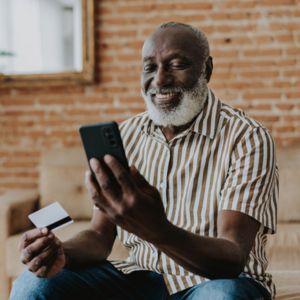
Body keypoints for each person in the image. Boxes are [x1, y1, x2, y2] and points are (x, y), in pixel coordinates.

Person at [10, 22, 278, 300]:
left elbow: (231, 259)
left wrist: (157, 228)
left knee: (225, 297)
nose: (160, 80)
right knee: (33, 285)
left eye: (176, 64)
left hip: (216, 283)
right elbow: (99, 237)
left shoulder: (247, 137)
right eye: (150, 67)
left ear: (206, 69)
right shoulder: (124, 136)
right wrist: (61, 252)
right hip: (141, 279)